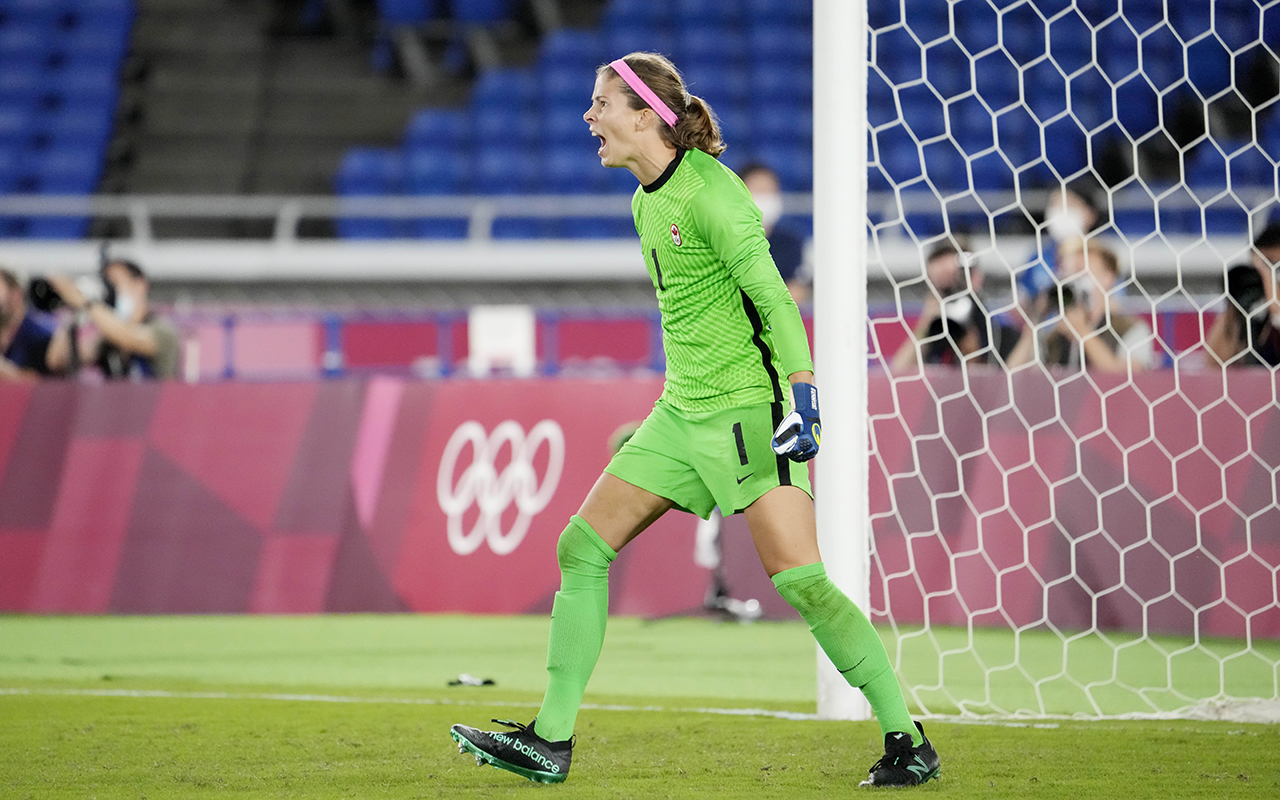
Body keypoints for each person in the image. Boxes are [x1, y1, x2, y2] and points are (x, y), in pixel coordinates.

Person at [449, 52, 941, 789]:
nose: (590, 118)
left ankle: (907, 739)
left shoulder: (714, 196)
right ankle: (550, 739)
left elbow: (774, 300)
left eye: (601, 104)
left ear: (645, 116)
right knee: (581, 547)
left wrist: (803, 396)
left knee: (801, 581)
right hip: (682, 414)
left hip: (749, 412)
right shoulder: (646, 200)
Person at [1006, 239, 1155, 372]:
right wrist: (1035, 323)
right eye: (1067, 275)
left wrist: (1083, 333)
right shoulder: (1056, 335)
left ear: (1108, 278)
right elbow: (1012, 376)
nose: (1074, 281)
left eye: (1081, 272)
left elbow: (1128, 378)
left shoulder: (1131, 329)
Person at [890, 240, 1020, 372]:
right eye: (941, 288)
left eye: (955, 283)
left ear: (976, 278)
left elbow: (1005, 384)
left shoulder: (1000, 332)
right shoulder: (934, 335)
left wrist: (972, 353)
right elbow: (898, 371)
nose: (951, 296)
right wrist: (927, 320)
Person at [44, 259, 180, 380]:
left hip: (156, 406)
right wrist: (72, 310)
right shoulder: (107, 341)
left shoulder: (162, 330)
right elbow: (57, 361)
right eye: (107, 286)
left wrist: (85, 302)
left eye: (114, 284)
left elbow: (130, 339)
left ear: (140, 285)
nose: (111, 293)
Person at [1204, 221, 1280, 367]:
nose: (1265, 276)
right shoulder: (1252, 313)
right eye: (1258, 266)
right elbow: (1214, 363)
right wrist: (1234, 307)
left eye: (1273, 265)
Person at [739, 162, 810, 305]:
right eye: (759, 190)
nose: (766, 196)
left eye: (770, 190)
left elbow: (797, 291)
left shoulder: (790, 241)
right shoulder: (724, 239)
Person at [0, 267, 56, 381]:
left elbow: (40, 384)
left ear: (16, 294)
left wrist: (6, 372)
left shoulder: (40, 335)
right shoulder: (5, 333)